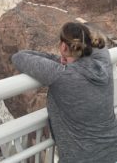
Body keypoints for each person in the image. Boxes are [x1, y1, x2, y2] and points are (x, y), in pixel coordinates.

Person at [12, 22, 117, 163]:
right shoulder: (102, 60)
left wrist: (61, 59)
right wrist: (67, 58)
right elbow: (95, 44)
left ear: (63, 46)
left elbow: (20, 57)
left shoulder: (60, 75)